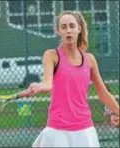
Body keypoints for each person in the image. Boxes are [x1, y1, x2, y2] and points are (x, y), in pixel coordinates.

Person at [20, 11, 119, 147]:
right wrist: (39, 86)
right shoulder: (51, 55)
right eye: (64, 27)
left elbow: (103, 92)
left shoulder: (89, 60)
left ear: (79, 28)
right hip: (57, 130)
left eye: (72, 26)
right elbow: (48, 83)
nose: (68, 30)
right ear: (58, 30)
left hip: (85, 129)